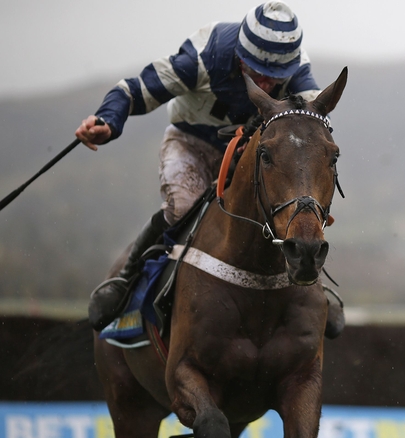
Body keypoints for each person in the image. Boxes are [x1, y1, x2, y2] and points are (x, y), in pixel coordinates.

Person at [75, 1, 345, 337]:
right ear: (240, 54)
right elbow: (134, 90)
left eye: (275, 77)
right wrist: (107, 120)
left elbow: (311, 130)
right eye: (256, 72)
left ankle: (312, 280)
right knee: (181, 208)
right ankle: (126, 278)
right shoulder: (204, 56)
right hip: (191, 143)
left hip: (248, 153)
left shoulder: (296, 68)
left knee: (285, 206)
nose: (265, 82)